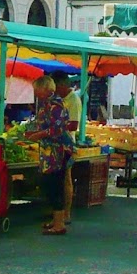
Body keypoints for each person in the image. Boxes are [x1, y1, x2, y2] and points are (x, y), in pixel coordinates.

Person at [25, 75, 74, 235]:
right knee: (50, 184)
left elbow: (57, 129)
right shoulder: (47, 104)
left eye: (38, 90)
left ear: (46, 89)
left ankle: (59, 224)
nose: (36, 93)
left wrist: (39, 135)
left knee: (55, 185)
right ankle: (56, 219)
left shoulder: (56, 105)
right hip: (49, 150)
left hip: (58, 150)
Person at [52, 71, 81, 224]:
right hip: (53, 143)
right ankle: (57, 213)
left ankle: (66, 214)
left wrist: (54, 126)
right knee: (56, 180)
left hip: (66, 144)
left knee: (66, 179)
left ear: (62, 85)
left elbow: (74, 125)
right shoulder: (56, 99)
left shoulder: (73, 100)